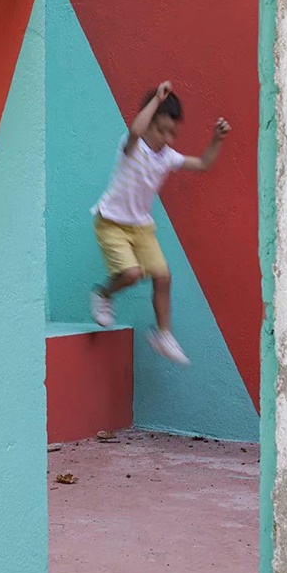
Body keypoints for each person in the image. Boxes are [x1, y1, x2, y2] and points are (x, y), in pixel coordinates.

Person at [90, 81, 231, 364]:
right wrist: (156, 99)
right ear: (149, 123)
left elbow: (203, 164)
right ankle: (102, 293)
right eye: (161, 130)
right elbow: (135, 130)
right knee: (131, 274)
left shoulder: (167, 157)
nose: (166, 139)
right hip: (112, 223)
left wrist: (216, 139)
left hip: (141, 227)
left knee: (163, 276)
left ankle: (163, 334)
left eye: (172, 133)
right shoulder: (132, 147)